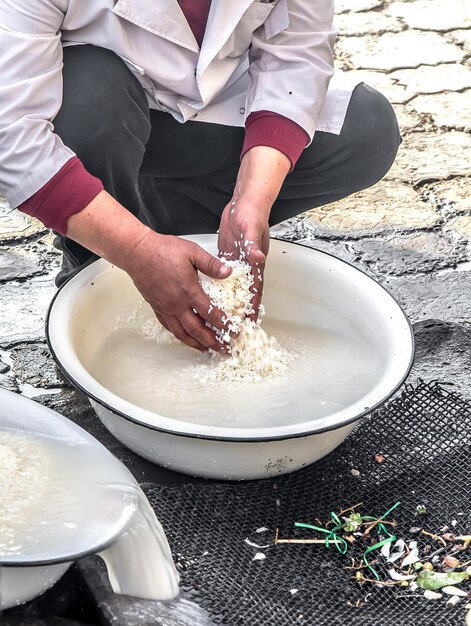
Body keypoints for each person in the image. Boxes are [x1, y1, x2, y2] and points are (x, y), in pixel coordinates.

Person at [0, 0, 400, 353]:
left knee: (367, 131)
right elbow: (12, 135)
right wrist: (139, 251)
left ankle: (180, 224)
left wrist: (251, 197)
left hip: (214, 106)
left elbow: (297, 56)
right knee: (88, 98)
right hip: (99, 113)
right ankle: (98, 261)